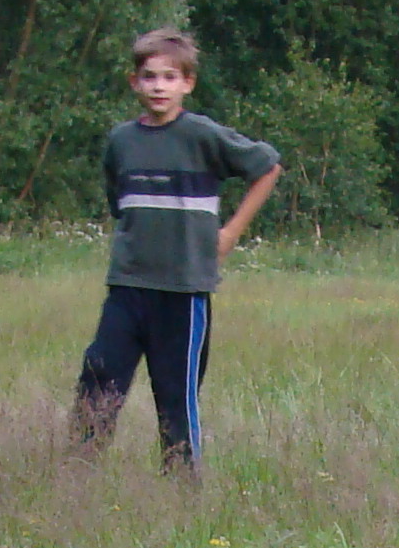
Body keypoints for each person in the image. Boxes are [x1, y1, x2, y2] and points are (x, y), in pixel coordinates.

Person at [67, 30, 279, 474]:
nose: (158, 86)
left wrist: (230, 233)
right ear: (134, 82)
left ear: (188, 83)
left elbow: (267, 167)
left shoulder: (202, 135)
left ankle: (181, 488)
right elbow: (120, 204)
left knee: (175, 398)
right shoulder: (121, 141)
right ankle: (77, 477)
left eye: (169, 77)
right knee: (98, 379)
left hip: (183, 291)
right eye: (149, 77)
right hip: (128, 287)